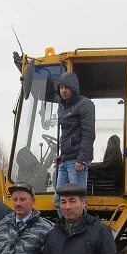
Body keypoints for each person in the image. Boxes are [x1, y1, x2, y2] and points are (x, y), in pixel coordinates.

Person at [55, 71, 95, 210]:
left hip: (77, 161)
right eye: (61, 88)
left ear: (73, 88)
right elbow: (67, 134)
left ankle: (81, 230)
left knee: (76, 202)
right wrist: (62, 154)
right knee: (58, 201)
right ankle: (66, 230)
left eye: (66, 87)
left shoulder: (85, 104)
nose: (63, 91)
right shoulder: (63, 107)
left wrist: (82, 159)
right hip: (66, 159)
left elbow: (88, 133)